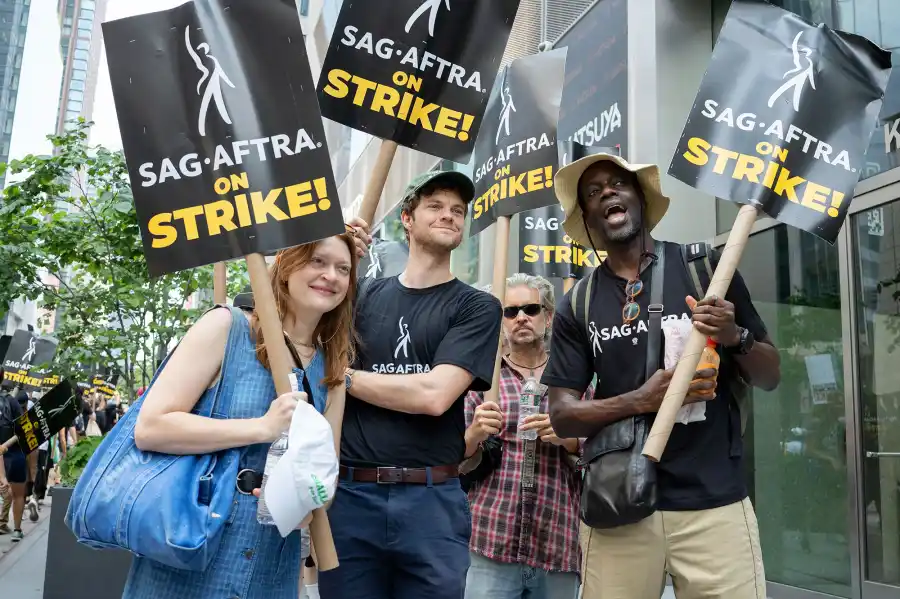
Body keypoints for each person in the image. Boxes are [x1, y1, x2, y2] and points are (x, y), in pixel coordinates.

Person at [543, 151, 781, 599]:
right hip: (619, 505)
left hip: (714, 504)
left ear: (640, 198)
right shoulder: (578, 302)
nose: (607, 193)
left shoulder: (706, 269)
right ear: (588, 220)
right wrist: (641, 400)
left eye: (618, 184)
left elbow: (770, 375)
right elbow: (562, 416)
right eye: (593, 192)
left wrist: (734, 335)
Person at [123, 232, 361, 599]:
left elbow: (325, 477)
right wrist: (262, 428)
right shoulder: (226, 327)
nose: (331, 275)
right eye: (317, 261)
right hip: (192, 547)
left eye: (343, 269)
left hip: (271, 563)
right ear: (286, 266)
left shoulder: (332, 369)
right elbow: (151, 427)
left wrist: (305, 500)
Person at [319, 171, 502, 599]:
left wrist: (344, 377)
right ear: (406, 218)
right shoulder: (359, 296)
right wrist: (331, 251)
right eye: (435, 206)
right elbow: (287, 312)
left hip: (431, 503)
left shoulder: (477, 306)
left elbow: (434, 396)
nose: (449, 215)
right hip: (352, 496)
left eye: (458, 210)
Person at [464, 274, 586, 599]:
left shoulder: (573, 377)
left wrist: (568, 438)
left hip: (556, 540)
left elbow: (598, 445)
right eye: (510, 311)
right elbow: (454, 456)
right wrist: (475, 433)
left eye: (530, 309)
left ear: (548, 316)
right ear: (501, 321)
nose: (520, 318)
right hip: (491, 538)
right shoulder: (482, 379)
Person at [0, 387, 28, 541]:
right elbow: (23, 431)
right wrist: (5, 445)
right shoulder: (12, 402)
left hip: (4, 455)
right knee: (18, 495)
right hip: (14, 454)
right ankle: (17, 529)